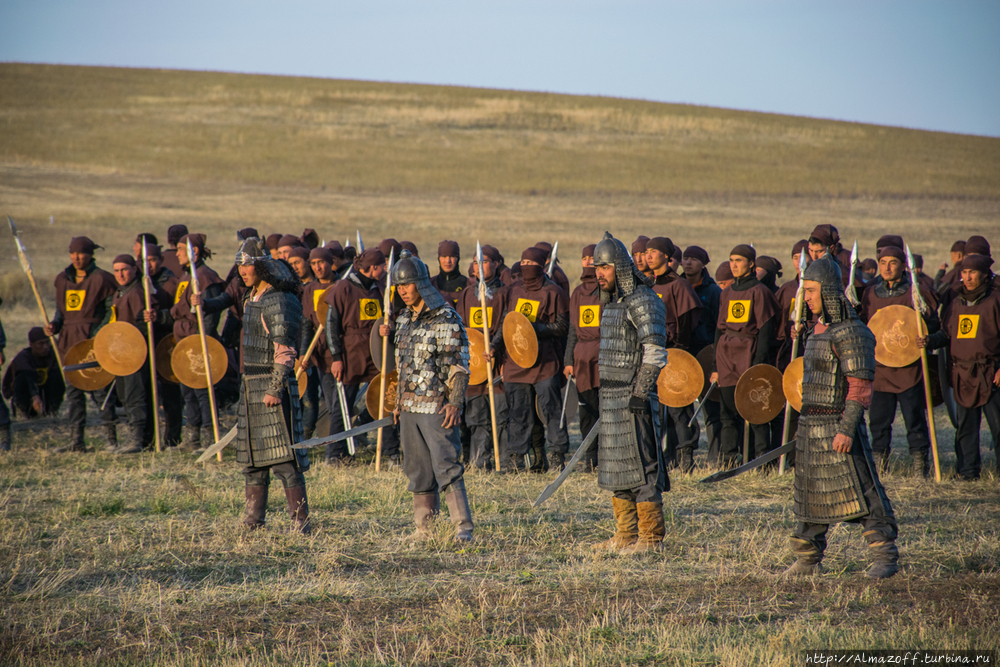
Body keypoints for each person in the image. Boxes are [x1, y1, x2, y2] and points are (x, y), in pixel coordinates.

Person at [785, 253, 898, 579]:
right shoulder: (816, 331)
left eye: (810, 291)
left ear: (829, 292)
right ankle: (807, 559)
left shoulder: (853, 333)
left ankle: (884, 555)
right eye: (804, 291)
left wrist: (847, 429)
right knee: (811, 495)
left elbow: (859, 389)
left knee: (865, 494)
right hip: (811, 429)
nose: (805, 297)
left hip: (839, 426)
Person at [590, 232, 669, 553]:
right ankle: (626, 534)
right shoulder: (611, 304)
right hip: (611, 399)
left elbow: (655, 350)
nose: (599, 273)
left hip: (634, 398)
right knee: (616, 466)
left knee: (643, 467)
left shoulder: (643, 299)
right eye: (596, 267)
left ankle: (650, 538)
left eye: (605, 267)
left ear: (620, 267)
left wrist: (640, 392)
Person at [389, 250, 473, 542]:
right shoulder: (403, 320)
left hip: (438, 405)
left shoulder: (446, 318)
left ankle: (463, 528)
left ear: (421, 284)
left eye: (407, 284)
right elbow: (402, 367)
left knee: (446, 466)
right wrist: (398, 402)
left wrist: (455, 402)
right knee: (418, 471)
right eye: (399, 285)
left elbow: (459, 365)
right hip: (410, 406)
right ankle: (424, 529)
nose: (402, 290)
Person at [229, 237, 311, 533]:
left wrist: (275, 389)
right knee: (252, 461)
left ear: (262, 266)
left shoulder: (277, 298)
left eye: (248, 265)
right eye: (240, 266)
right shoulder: (251, 297)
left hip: (271, 387)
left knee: (286, 460)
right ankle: (253, 521)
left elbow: (285, 350)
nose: (243, 271)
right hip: (250, 386)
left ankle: (300, 523)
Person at [858, 243, 940, 477]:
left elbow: (933, 324)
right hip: (881, 370)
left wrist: (926, 336)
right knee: (879, 422)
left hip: (909, 369)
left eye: (892, 262)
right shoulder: (871, 294)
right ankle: (879, 467)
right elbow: (865, 325)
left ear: (903, 266)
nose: (886, 267)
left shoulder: (915, 292)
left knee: (914, 421)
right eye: (882, 263)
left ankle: (919, 467)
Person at [920, 254, 1000, 481]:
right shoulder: (956, 303)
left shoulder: (995, 300)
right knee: (965, 427)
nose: (967, 277)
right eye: (964, 272)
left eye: (972, 272)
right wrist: (928, 341)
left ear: (985, 274)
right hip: (963, 374)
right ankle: (967, 471)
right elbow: (947, 334)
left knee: (998, 426)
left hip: (990, 373)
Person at [323, 247, 401, 466]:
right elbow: (331, 324)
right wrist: (336, 356)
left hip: (377, 353)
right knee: (343, 406)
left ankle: (390, 452)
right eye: (382, 266)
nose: (385, 269)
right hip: (350, 354)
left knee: (384, 401)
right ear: (372, 268)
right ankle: (336, 453)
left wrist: (388, 329)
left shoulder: (379, 289)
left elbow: (387, 319)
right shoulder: (343, 288)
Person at [497, 246, 570, 471]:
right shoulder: (513, 290)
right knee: (519, 412)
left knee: (551, 410)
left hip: (544, 362)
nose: (527, 267)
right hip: (516, 361)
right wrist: (493, 346)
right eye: (523, 263)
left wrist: (534, 328)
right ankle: (517, 458)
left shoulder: (554, 292)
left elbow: (561, 326)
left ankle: (557, 455)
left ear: (541, 266)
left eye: (531, 264)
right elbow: (506, 324)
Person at [44, 236, 118, 452]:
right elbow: (61, 313)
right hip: (68, 342)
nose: (76, 258)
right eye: (73, 253)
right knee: (74, 393)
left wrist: (96, 336)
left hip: (92, 344)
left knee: (100, 389)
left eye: (81, 253)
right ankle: (76, 441)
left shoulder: (103, 279)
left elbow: (110, 312)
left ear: (91, 254)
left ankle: (111, 439)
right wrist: (54, 326)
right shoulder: (63, 279)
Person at [710, 245, 779, 467]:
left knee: (755, 410)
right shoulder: (727, 292)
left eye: (739, 260)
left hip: (749, 353)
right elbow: (718, 330)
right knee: (727, 411)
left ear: (751, 263)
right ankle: (729, 459)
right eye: (731, 260)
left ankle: (761, 460)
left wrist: (758, 364)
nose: (734, 264)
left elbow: (766, 331)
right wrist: (715, 365)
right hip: (726, 354)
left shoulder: (760, 292)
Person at [160, 233, 224, 452]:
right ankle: (192, 438)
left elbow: (210, 315)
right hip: (184, 343)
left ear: (194, 252)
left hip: (198, 344)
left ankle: (209, 439)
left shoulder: (206, 277)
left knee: (203, 392)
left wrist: (200, 342)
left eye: (180, 249)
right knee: (188, 391)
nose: (176, 253)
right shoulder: (185, 276)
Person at [645, 237, 702, 473]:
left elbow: (688, 319)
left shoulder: (678, 285)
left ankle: (686, 458)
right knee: (657, 409)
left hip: (674, 355)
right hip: (652, 354)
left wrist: (679, 349)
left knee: (680, 408)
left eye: (654, 251)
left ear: (667, 257)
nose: (648, 256)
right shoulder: (648, 284)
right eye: (646, 251)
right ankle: (664, 457)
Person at [454, 245, 508, 471]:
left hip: (499, 363)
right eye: (476, 262)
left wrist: (494, 346)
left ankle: (504, 463)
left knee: (501, 416)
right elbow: (460, 328)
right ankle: (479, 463)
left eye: (484, 261)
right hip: (475, 365)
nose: (480, 266)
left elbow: (508, 324)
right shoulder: (467, 294)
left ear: (496, 264)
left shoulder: (506, 293)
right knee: (476, 417)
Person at [110, 254, 170, 453]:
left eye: (124, 269)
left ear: (134, 269)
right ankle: (143, 440)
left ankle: (138, 440)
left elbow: (144, 326)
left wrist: (129, 341)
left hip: (135, 352)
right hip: (122, 353)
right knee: (125, 395)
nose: (120, 274)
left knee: (135, 395)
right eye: (116, 271)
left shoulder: (136, 292)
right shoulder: (120, 292)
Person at [682, 245, 723, 466]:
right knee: (681, 407)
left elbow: (719, 326)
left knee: (710, 408)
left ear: (703, 263)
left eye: (693, 259)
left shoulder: (714, 291)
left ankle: (715, 457)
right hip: (683, 354)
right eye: (685, 258)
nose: (688, 263)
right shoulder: (677, 286)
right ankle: (683, 455)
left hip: (706, 352)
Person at [564, 244, 601, 471]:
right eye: (584, 258)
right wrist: (569, 359)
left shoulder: (610, 290)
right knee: (586, 410)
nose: (588, 262)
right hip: (581, 359)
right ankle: (590, 458)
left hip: (603, 356)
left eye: (592, 258)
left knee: (605, 407)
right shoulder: (577, 292)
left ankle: (607, 457)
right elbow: (572, 329)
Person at [298, 247, 338, 440]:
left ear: (330, 263)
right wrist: (304, 354)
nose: (317, 267)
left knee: (342, 401)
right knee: (330, 401)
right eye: (313, 264)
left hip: (342, 353)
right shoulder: (310, 290)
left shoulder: (342, 285)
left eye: (321, 262)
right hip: (321, 353)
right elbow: (307, 324)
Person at [2, 327, 65, 428]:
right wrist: (35, 397)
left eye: (47, 342)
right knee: (22, 378)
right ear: (31, 345)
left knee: (58, 376)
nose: (45, 347)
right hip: (28, 397)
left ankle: (52, 411)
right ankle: (22, 412)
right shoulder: (23, 357)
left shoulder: (53, 355)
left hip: (45, 396)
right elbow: (28, 378)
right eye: (41, 344)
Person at [432, 240, 468, 307]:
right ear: (439, 259)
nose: (448, 261)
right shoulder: (431, 284)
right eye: (444, 257)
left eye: (452, 256)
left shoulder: (468, 285)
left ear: (458, 259)